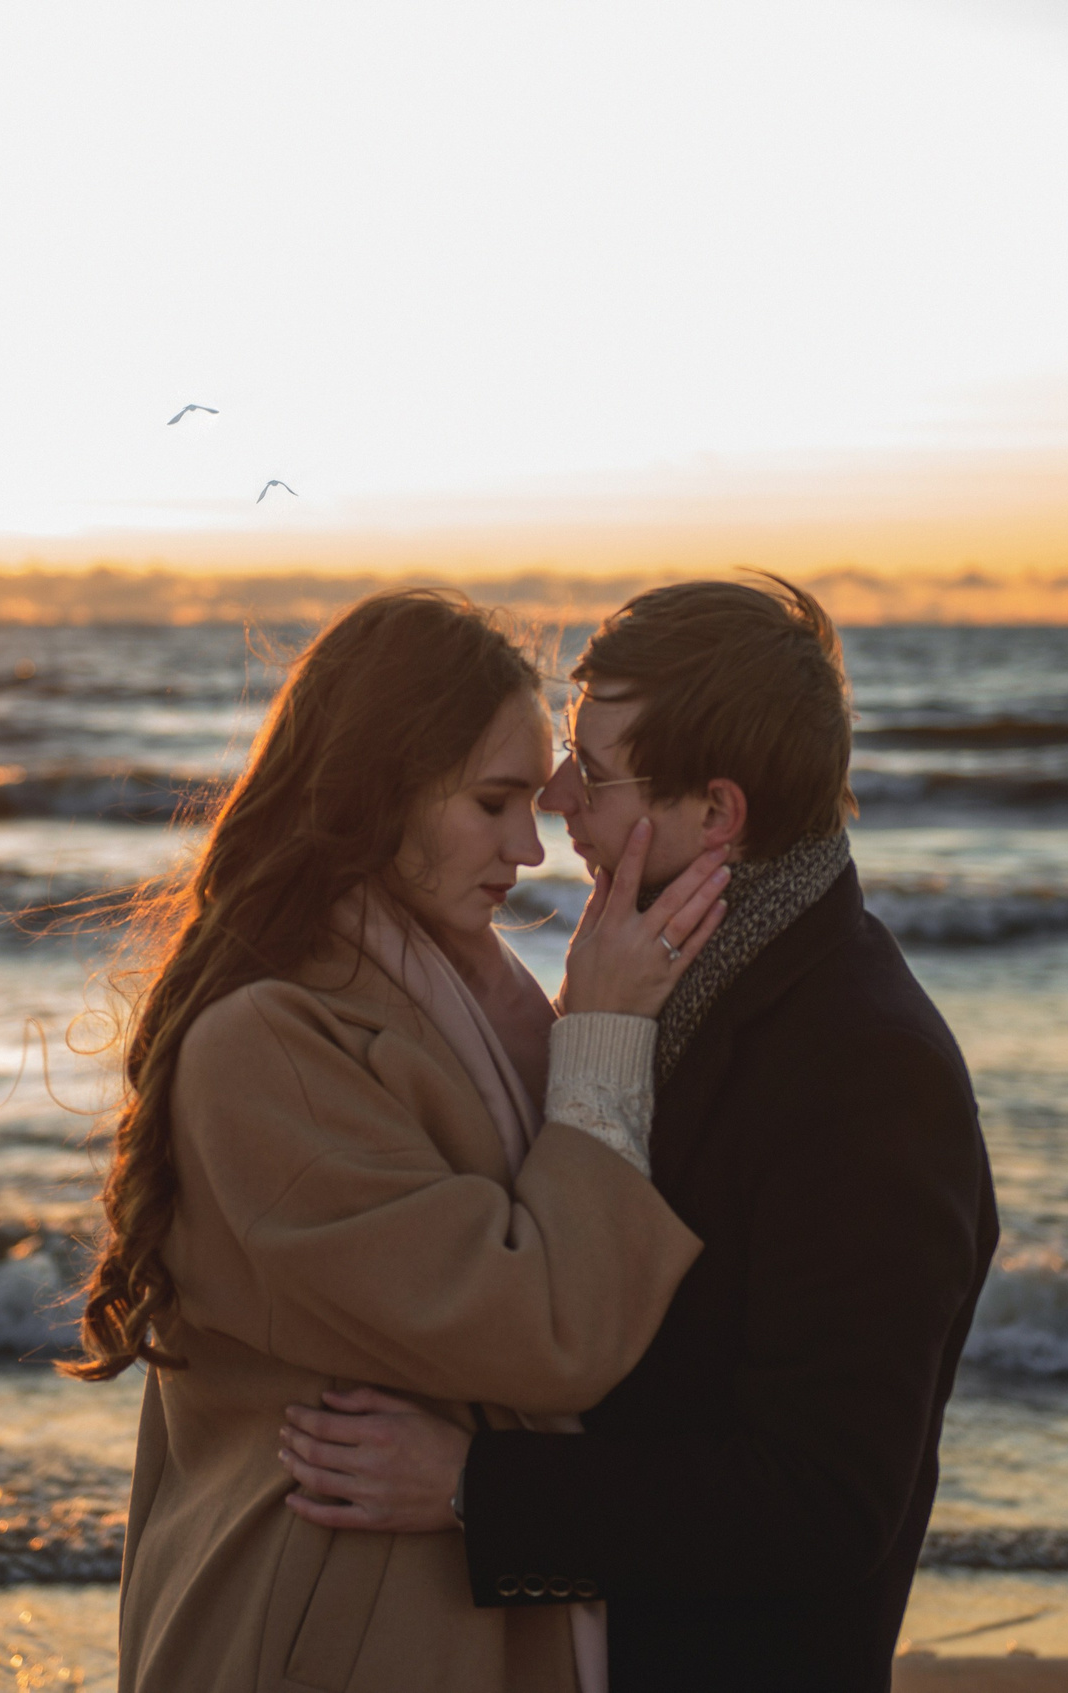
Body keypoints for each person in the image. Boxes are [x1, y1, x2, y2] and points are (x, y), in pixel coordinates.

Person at [275, 575, 1001, 1691]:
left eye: (596, 770)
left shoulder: (865, 1069)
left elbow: (822, 1505)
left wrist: (474, 1484)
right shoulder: (672, 981)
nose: (557, 789)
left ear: (716, 813)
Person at [67, 588, 733, 1693]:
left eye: (532, 798)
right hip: (322, 1633)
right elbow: (547, 1327)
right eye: (491, 801)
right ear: (378, 793)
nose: (530, 846)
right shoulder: (268, 1044)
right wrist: (606, 1040)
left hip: (416, 1613)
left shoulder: (464, 996)